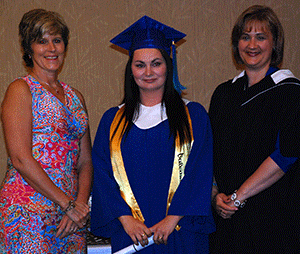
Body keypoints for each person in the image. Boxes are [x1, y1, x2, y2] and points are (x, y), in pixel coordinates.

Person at [91, 16, 215, 253]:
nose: (148, 72)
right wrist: (126, 219)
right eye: (140, 65)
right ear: (131, 70)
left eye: (156, 63)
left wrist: (173, 219)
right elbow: (102, 175)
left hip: (181, 232)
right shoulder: (112, 120)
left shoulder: (193, 116)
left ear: (168, 66)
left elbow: (200, 172)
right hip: (131, 235)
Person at [0, 9, 93, 253]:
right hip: (28, 213)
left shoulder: (76, 97)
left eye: (57, 40)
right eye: (42, 41)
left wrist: (79, 206)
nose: (51, 48)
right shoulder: (20, 90)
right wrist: (67, 204)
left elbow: (85, 161)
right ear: (28, 49)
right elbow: (20, 158)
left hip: (70, 219)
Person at [209, 5, 300, 253]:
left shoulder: (290, 92)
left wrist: (238, 197)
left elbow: (286, 155)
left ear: (274, 43)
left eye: (261, 37)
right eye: (245, 36)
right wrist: (215, 195)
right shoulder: (223, 94)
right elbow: (210, 153)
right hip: (227, 220)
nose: (252, 44)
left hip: (274, 219)